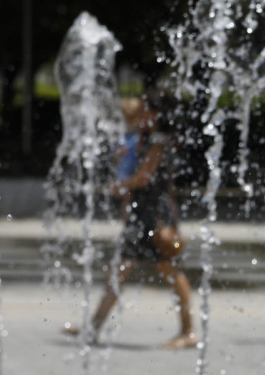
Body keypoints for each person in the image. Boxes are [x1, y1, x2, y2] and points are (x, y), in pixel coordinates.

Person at [62, 91, 197, 349]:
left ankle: (188, 331)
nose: (139, 113)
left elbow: (146, 178)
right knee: (120, 270)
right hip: (143, 216)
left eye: (145, 108)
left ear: (157, 114)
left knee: (168, 271)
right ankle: (93, 328)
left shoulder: (159, 141)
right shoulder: (146, 139)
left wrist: (120, 186)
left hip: (155, 218)